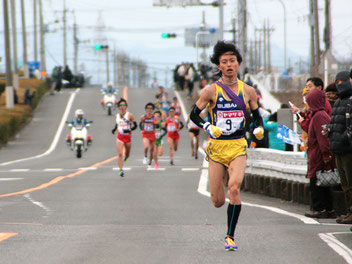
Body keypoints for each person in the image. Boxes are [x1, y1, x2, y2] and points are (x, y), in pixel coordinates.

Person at [189, 41, 264, 251]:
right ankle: (221, 183)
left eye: (232, 60)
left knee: (234, 188)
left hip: (238, 145)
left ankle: (230, 236)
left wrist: (259, 129)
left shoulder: (248, 91)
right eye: (224, 62)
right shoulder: (211, 91)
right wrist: (207, 125)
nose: (229, 64)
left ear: (238, 64)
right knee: (217, 201)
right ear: (219, 66)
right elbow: (193, 114)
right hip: (217, 148)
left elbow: (258, 118)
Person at [304, 89, 336, 218]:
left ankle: (319, 208)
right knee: (324, 183)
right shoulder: (320, 115)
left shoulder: (319, 116)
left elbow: (323, 138)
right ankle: (328, 209)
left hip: (318, 156)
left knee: (317, 182)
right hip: (319, 155)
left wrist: (326, 154)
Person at [326, 71, 352, 224]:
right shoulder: (337, 103)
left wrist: (343, 138)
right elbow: (335, 123)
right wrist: (329, 131)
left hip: (348, 149)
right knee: (345, 184)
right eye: (337, 81)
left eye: (342, 81)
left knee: (350, 183)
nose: (339, 84)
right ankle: (349, 211)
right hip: (338, 148)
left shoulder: (350, 101)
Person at [111, 99, 137, 177]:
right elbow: (117, 124)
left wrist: (130, 129)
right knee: (120, 154)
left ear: (126, 107)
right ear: (118, 107)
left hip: (127, 137)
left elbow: (135, 126)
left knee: (127, 154)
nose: (122, 107)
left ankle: (127, 157)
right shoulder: (117, 116)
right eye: (121, 105)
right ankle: (121, 170)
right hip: (120, 136)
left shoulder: (130, 115)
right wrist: (114, 129)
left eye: (124, 105)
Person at [140, 103, 156, 167]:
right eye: (148, 108)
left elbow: (158, 125)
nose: (149, 110)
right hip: (145, 134)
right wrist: (142, 130)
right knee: (146, 146)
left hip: (152, 134)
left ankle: (149, 163)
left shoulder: (154, 117)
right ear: (146, 109)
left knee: (152, 149)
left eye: (151, 108)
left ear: (152, 110)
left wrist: (156, 123)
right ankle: (145, 157)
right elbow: (140, 124)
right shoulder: (143, 117)